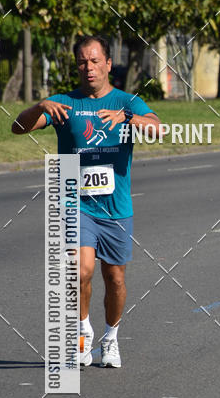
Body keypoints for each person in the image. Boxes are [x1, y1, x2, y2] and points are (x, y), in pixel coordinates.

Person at [12, 35, 161, 369]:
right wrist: (39, 107)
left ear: (108, 63)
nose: (88, 68)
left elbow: (157, 129)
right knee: (81, 271)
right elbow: (17, 128)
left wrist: (128, 120)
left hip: (116, 206)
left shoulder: (127, 101)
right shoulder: (65, 103)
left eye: (95, 61)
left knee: (115, 279)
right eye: (82, 61)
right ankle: (82, 335)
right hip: (74, 202)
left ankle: (111, 338)